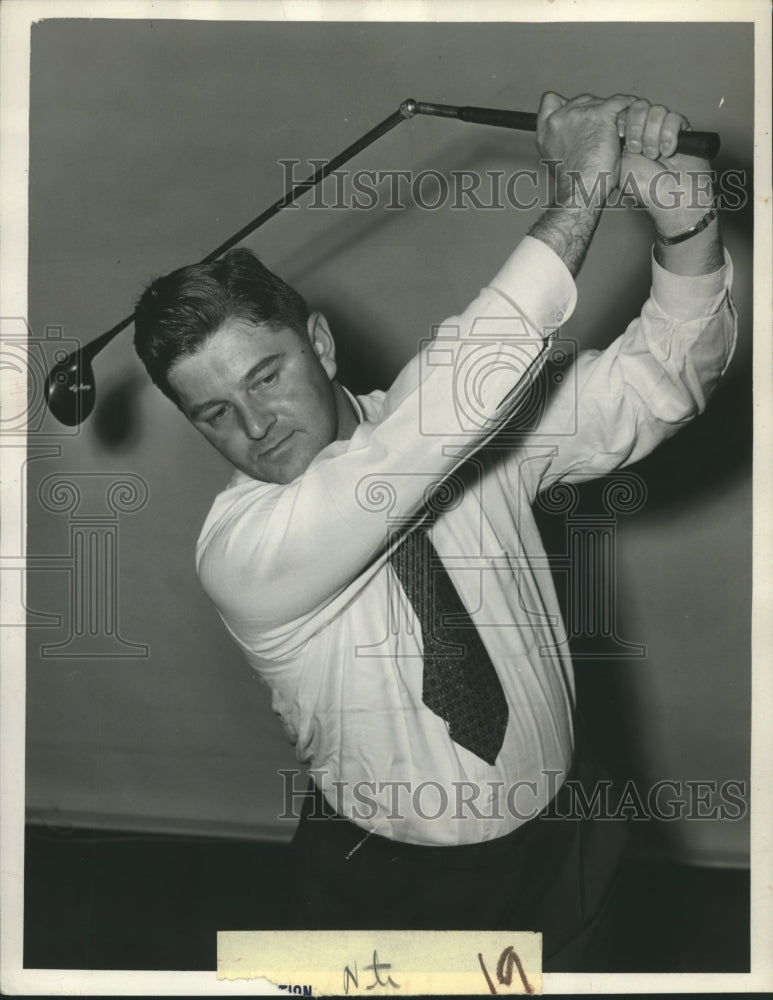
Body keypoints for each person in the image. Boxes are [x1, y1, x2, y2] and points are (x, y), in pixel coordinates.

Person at [133, 92, 736, 969]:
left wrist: (685, 234)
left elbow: (658, 384)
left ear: (323, 346)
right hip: (380, 879)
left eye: (266, 376)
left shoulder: (446, 417)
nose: (255, 425)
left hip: (564, 837)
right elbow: (433, 426)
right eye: (215, 413)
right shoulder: (243, 553)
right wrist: (580, 190)